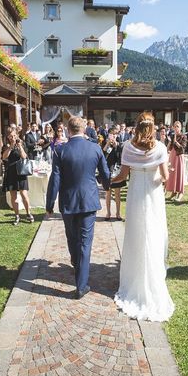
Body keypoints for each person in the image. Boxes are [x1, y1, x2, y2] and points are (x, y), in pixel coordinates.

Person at [111, 112, 174, 321]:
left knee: (137, 233)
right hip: (153, 194)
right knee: (153, 233)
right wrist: (159, 174)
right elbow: (165, 177)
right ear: (153, 127)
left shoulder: (128, 147)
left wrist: (108, 180)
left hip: (136, 193)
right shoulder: (161, 148)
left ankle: (133, 278)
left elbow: (122, 175)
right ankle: (152, 273)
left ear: (136, 126)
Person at [46, 117, 110, 299]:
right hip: (89, 200)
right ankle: (81, 279)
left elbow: (55, 179)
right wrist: (106, 186)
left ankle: (78, 272)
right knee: (84, 241)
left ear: (68, 130)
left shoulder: (60, 150)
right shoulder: (95, 148)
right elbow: (105, 173)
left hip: (68, 200)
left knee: (72, 237)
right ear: (84, 129)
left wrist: (49, 205)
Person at [2, 130, 33, 225]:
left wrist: (19, 147)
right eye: (11, 136)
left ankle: (28, 213)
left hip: (21, 172)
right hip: (11, 172)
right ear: (8, 137)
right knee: (13, 195)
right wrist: (11, 147)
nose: (13, 138)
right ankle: (17, 216)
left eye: (14, 135)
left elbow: (24, 157)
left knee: (24, 194)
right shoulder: (6, 146)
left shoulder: (21, 144)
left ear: (17, 135)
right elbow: (4, 157)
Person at [102, 129, 124, 221]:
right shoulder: (105, 144)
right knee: (108, 193)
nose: (113, 137)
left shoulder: (120, 145)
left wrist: (116, 146)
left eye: (115, 135)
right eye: (111, 135)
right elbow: (103, 154)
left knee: (117, 194)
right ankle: (108, 213)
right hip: (108, 171)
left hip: (117, 172)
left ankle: (118, 213)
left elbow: (120, 158)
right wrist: (108, 143)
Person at [165, 121, 187, 202]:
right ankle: (173, 192)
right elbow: (169, 148)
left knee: (179, 173)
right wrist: (170, 142)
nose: (176, 128)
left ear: (180, 128)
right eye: (175, 126)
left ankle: (180, 193)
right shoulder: (172, 135)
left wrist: (175, 142)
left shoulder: (183, 136)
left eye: (178, 126)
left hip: (179, 156)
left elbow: (183, 148)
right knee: (173, 174)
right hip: (173, 156)